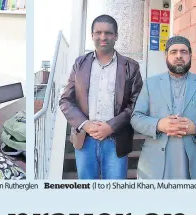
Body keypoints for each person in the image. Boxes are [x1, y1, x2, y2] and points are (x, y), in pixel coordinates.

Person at [59, 14, 142, 180]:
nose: (103, 37)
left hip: (116, 140)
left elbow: (136, 104)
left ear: (116, 36)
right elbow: (66, 100)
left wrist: (111, 126)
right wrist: (86, 124)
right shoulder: (80, 64)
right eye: (98, 33)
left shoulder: (130, 66)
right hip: (85, 140)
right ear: (92, 35)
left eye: (108, 33)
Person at [131, 36, 196, 180]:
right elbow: (136, 118)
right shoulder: (150, 84)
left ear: (190, 55)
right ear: (166, 55)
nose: (179, 56)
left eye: (183, 52)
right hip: (155, 163)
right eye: (173, 52)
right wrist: (158, 124)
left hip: (193, 164)